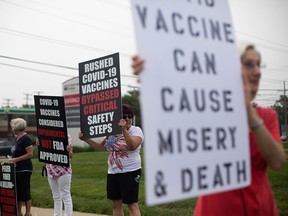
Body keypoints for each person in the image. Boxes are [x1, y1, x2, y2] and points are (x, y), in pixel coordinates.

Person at [131, 44, 286, 216]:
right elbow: (176, 106)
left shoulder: (267, 116)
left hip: (262, 209)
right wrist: (153, 77)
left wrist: (247, 111)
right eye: (249, 64)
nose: (257, 72)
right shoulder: (207, 112)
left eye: (259, 65)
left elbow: (278, 161)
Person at [78, 104, 144, 216]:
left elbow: (132, 146)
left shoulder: (136, 130)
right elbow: (100, 147)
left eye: (130, 116)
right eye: (124, 116)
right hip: (113, 172)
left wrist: (124, 130)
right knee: (115, 204)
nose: (127, 119)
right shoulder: (112, 133)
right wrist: (85, 139)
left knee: (131, 204)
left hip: (130, 171)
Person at [36, 134, 73, 216]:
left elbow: (71, 155)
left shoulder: (66, 136)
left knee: (65, 195)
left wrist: (68, 150)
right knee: (56, 196)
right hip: (50, 170)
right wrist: (39, 144)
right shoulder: (45, 135)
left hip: (63, 170)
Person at [9, 118, 33, 216]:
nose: (12, 129)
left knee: (25, 191)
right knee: (18, 191)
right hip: (17, 169)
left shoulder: (26, 138)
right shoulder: (17, 139)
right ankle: (18, 212)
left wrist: (16, 159)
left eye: (13, 127)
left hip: (24, 169)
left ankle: (28, 213)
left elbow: (30, 154)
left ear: (16, 128)